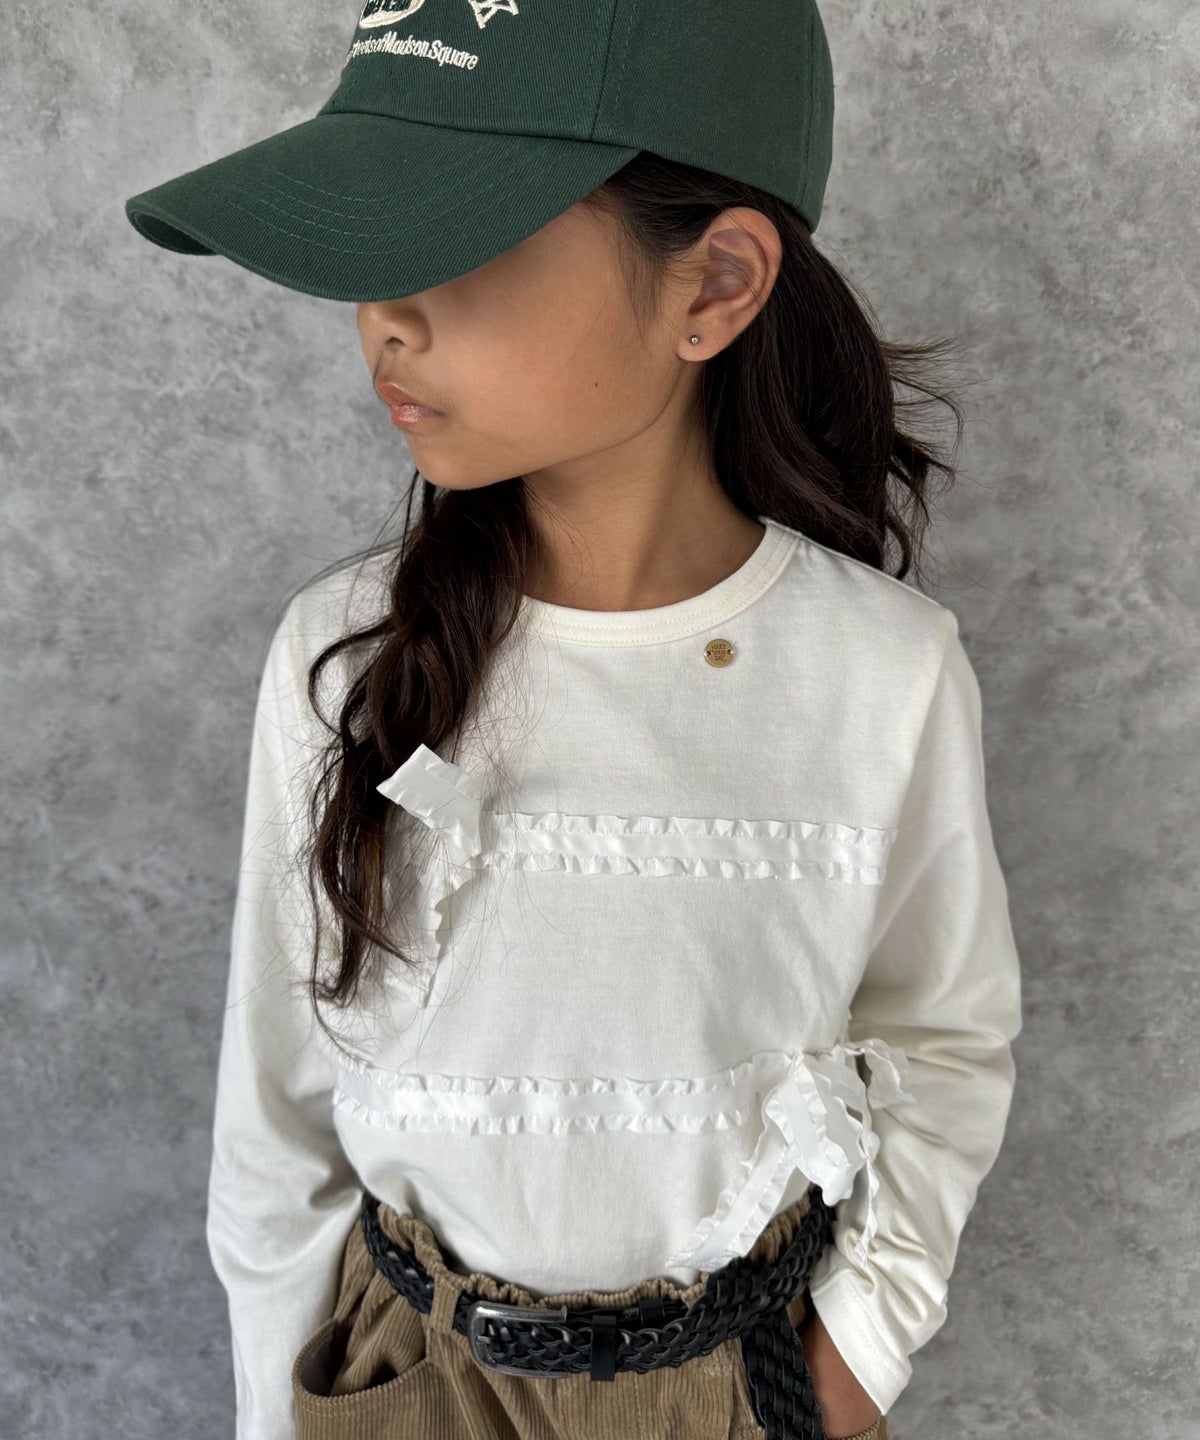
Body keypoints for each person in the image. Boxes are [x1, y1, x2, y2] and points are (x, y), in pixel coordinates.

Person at [124, 3, 1023, 1438]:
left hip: (737, 1387)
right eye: (369, 246)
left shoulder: (882, 675)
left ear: (715, 283)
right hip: (403, 1379)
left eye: (459, 240)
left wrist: (851, 1361)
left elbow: (940, 1036)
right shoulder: (347, 662)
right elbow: (279, 1119)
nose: (384, 318)